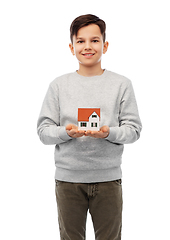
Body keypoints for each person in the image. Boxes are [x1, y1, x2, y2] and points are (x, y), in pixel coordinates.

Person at [37, 14, 142, 240]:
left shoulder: (121, 84)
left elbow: (133, 130)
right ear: (71, 46)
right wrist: (66, 132)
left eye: (94, 40)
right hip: (68, 181)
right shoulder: (58, 85)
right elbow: (44, 131)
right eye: (81, 41)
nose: (87, 46)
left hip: (108, 181)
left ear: (104, 45)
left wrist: (108, 132)